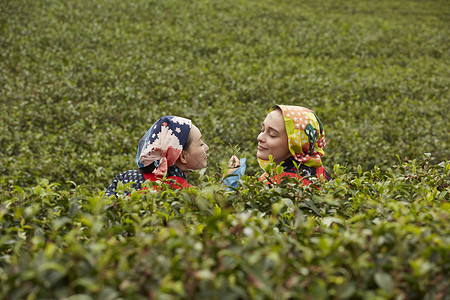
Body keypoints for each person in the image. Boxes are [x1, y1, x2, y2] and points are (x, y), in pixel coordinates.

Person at [105, 115, 209, 197]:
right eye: (200, 144)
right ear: (182, 157)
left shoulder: (127, 178)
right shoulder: (191, 196)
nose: (206, 147)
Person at [256, 105, 331, 185]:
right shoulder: (319, 171)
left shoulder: (284, 184)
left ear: (295, 144)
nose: (259, 137)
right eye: (262, 130)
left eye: (272, 135)